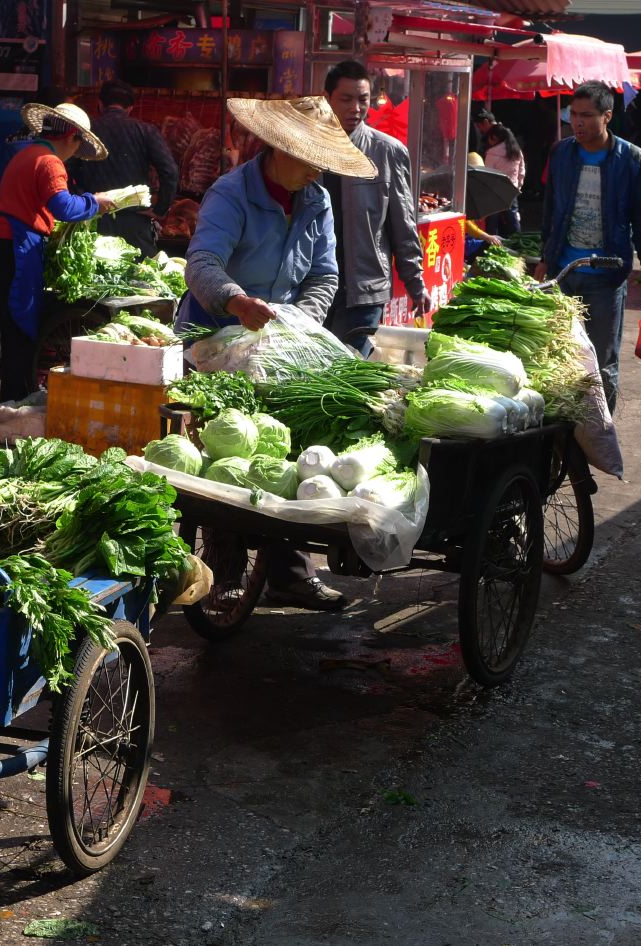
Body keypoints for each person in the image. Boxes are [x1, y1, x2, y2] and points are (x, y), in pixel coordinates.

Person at [177, 95, 376, 611]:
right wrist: (236, 301)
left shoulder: (316, 200)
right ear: (279, 149)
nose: (317, 172)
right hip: (215, 339)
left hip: (280, 344)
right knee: (228, 454)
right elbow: (201, 263)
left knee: (288, 447)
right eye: (310, 160)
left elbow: (324, 274)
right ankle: (224, 572)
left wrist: (298, 322)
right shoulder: (231, 193)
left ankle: (290, 573)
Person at [535, 81, 641, 414]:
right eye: (574, 114)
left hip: (607, 276)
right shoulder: (560, 152)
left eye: (586, 115)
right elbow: (551, 210)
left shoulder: (632, 159)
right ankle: (564, 426)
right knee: (558, 353)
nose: (577, 122)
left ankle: (601, 427)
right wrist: (544, 258)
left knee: (602, 360)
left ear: (607, 116)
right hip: (563, 272)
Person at [0, 102, 115, 403]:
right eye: (78, 144)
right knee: (20, 333)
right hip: (14, 247)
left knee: (14, 333)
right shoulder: (50, 162)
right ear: (71, 138)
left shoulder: (26, 154)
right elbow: (63, 207)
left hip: (1, 246)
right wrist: (95, 203)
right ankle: (15, 406)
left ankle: (13, 404)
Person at [321, 59, 430, 356]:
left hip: (365, 290)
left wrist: (415, 282)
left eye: (363, 100)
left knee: (351, 367)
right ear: (327, 98)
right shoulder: (309, 148)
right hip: (314, 288)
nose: (355, 108)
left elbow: (403, 223)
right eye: (346, 99)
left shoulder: (387, 152)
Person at [70, 79, 178, 257]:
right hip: (135, 222)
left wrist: (83, 202)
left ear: (100, 105)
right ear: (130, 108)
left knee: (92, 272)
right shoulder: (145, 131)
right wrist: (160, 209)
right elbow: (170, 171)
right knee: (140, 273)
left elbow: (67, 170)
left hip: (94, 220)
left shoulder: (86, 132)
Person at [483, 123, 525, 235]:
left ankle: (492, 243)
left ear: (494, 137)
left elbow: (487, 175)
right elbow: (521, 172)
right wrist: (518, 187)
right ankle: (517, 241)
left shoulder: (492, 153)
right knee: (513, 219)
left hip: (494, 192)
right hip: (512, 190)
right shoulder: (517, 151)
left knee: (492, 222)